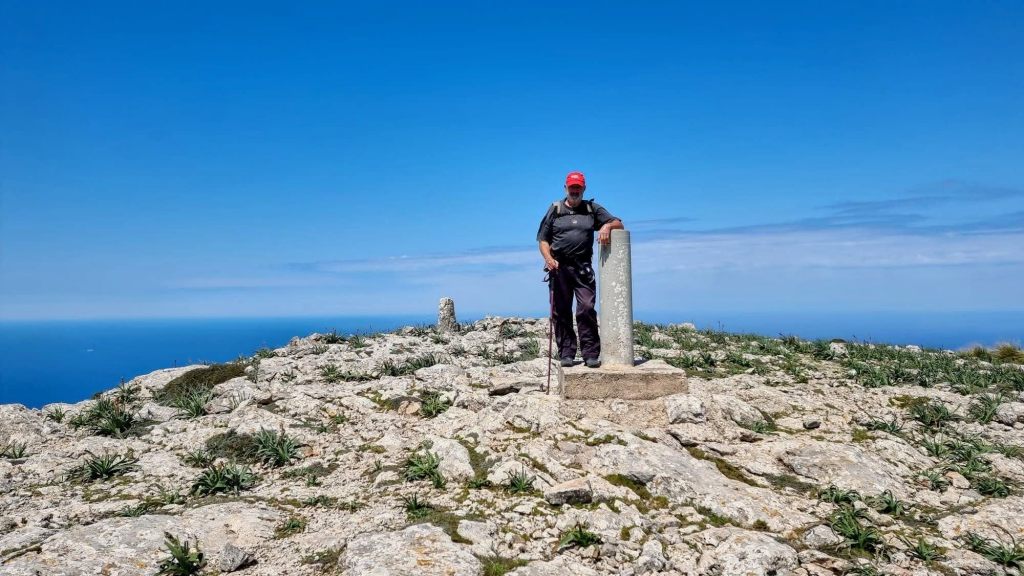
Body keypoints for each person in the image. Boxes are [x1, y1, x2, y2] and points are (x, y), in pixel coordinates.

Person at [536, 171, 624, 368]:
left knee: (586, 308)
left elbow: (618, 222)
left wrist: (607, 227)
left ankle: (590, 353)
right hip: (558, 267)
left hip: (583, 267)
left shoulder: (592, 208)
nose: (574, 191)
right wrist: (548, 259)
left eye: (578, 187)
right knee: (561, 311)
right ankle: (566, 353)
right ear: (565, 188)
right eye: (571, 187)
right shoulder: (555, 209)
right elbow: (542, 239)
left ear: (584, 188)